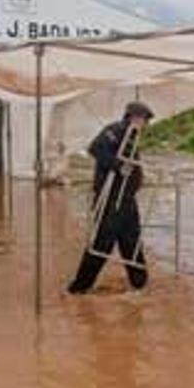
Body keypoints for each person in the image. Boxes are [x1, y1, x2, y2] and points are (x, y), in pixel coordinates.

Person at [68, 101, 154, 294]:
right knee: (102, 243)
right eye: (143, 119)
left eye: (146, 120)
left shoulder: (132, 135)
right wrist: (117, 165)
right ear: (132, 116)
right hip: (111, 199)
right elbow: (95, 148)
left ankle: (140, 284)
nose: (145, 123)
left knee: (131, 240)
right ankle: (79, 288)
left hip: (126, 199)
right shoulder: (116, 129)